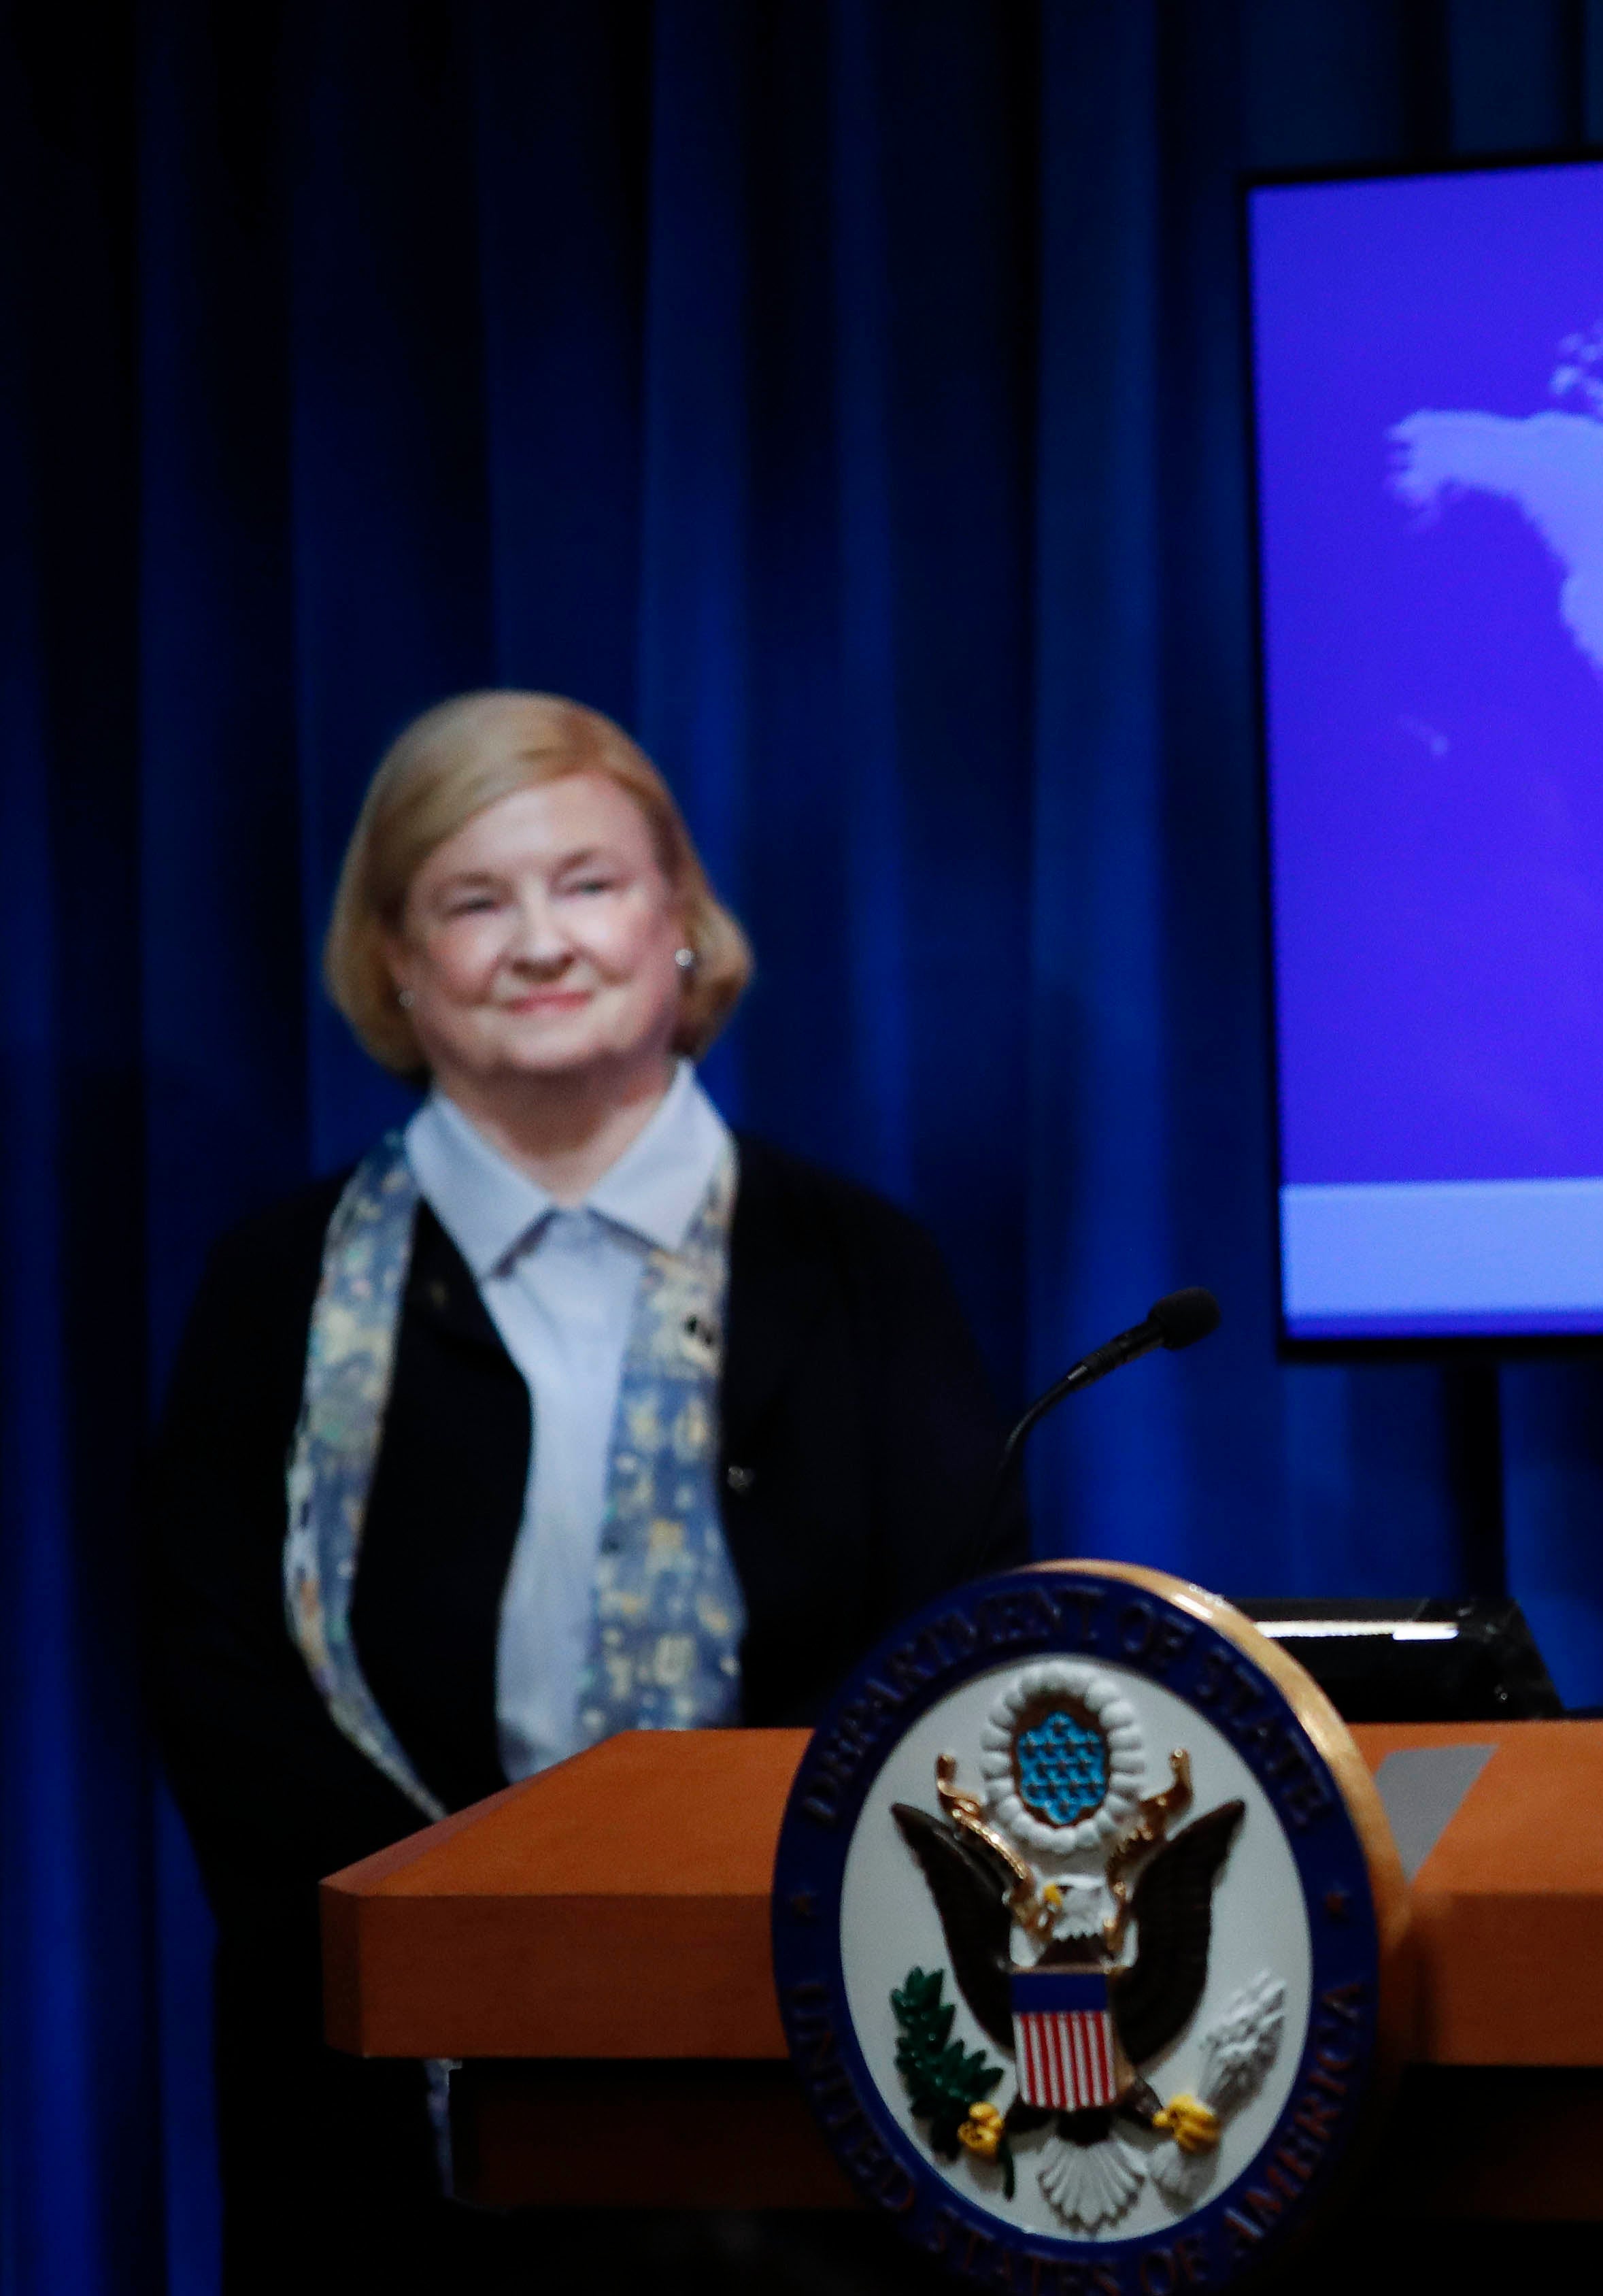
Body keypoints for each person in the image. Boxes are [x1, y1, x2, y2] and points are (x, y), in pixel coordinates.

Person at [144, 691, 1019, 2288]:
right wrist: (480, 1957)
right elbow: (209, 1677)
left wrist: (710, 1939)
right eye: (475, 901)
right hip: (375, 2120)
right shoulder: (273, 1288)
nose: (540, 942)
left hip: (810, 2102)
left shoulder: (861, 1267)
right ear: (396, 962)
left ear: (680, 923)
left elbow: (955, 1659)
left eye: (590, 885)